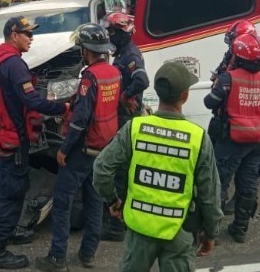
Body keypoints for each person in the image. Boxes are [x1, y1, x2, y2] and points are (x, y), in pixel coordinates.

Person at [93, 62, 223, 272]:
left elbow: (101, 170)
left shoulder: (135, 128)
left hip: (139, 231)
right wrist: (211, 233)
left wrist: (114, 201)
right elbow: (209, 194)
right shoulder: (197, 138)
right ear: (185, 96)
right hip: (179, 232)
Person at [0, 17, 68, 270]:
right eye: (27, 34)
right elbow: (34, 103)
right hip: (13, 140)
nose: (32, 38)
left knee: (8, 188)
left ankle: (5, 234)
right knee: (12, 194)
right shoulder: (15, 64)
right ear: (13, 34)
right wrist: (64, 107)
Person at [35, 24, 121, 271]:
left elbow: (80, 120)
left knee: (63, 203)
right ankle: (88, 254)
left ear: (86, 50)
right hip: (104, 148)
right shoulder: (113, 72)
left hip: (82, 150)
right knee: (95, 201)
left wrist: (64, 150)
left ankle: (57, 258)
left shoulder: (89, 78)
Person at [204, 33, 260, 244]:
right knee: (249, 183)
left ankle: (212, 232)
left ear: (238, 56)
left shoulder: (228, 79)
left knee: (219, 183)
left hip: (233, 139)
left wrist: (216, 83)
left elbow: (210, 102)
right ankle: (240, 228)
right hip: (259, 140)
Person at [100, 12, 150, 242]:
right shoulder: (121, 52)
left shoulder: (131, 55)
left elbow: (142, 80)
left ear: (122, 33)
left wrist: (124, 96)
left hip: (126, 118)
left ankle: (116, 226)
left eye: (111, 31)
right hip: (122, 117)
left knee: (121, 170)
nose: (109, 35)